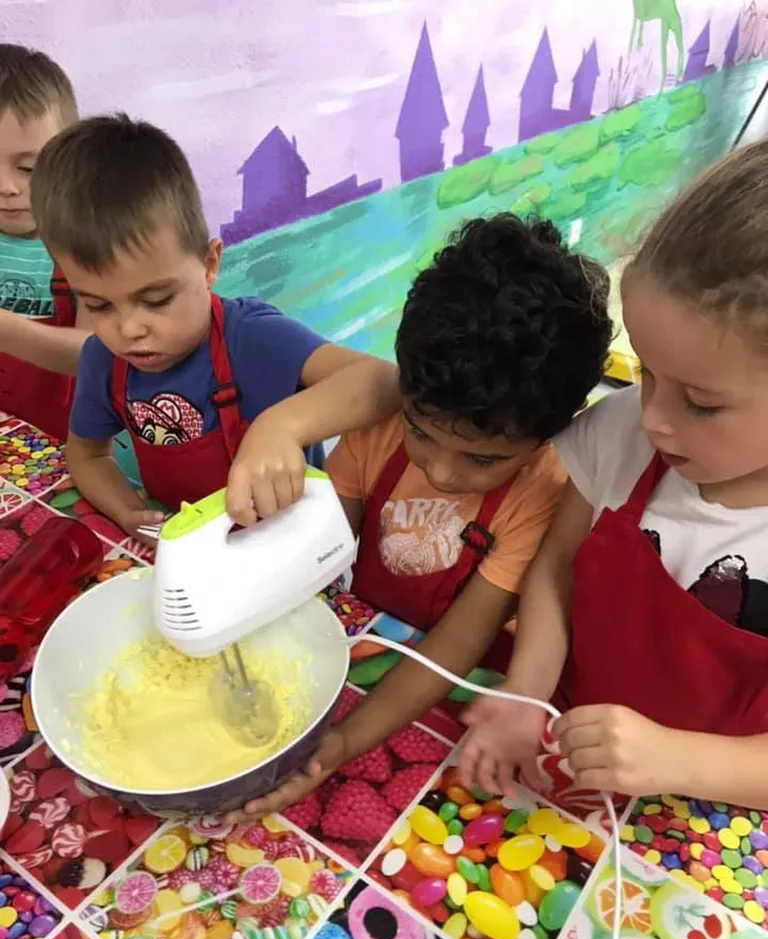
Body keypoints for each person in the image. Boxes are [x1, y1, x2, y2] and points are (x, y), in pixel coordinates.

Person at [228, 214, 612, 822]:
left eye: (482, 459)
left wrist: (346, 741)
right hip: (382, 634)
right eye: (421, 433)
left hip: (464, 676)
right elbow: (318, 551)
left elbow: (460, 641)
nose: (441, 472)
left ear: (550, 434)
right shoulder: (376, 428)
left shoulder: (545, 491)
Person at [461, 140, 768, 813]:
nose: (651, 419)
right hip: (571, 752)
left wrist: (680, 759)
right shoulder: (622, 431)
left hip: (709, 813)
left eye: (701, 403)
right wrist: (526, 691)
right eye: (647, 372)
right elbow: (556, 565)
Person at [30, 114, 400, 538]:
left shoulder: (253, 337)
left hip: (286, 542)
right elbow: (88, 455)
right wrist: (128, 511)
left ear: (209, 264)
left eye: (157, 300)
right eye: (97, 305)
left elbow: (383, 381)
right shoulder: (103, 359)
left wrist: (279, 426)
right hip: (192, 545)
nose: (128, 329)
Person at [0, 44, 89, 440]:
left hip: (60, 447)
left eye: (28, 168)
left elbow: (95, 354)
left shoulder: (84, 244)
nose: (6, 187)